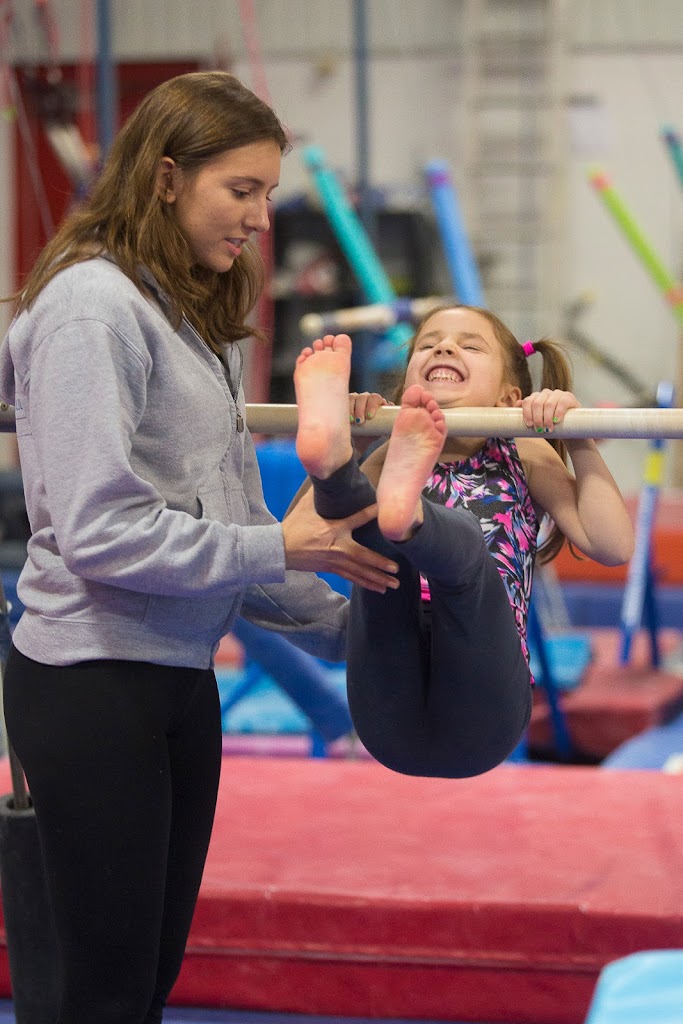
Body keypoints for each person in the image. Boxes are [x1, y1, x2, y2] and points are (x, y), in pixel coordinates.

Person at [0, 72, 400, 1024]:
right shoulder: (92, 309)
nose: (263, 219)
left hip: (177, 680)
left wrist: (365, 630)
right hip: (92, 681)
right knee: (102, 993)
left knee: (145, 983)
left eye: (267, 192)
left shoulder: (186, 311)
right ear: (167, 178)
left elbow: (225, 521)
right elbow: (99, 533)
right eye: (243, 191)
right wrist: (283, 551)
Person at [292, 306, 635, 779]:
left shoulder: (524, 450)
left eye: (470, 345)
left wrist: (576, 438)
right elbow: (300, 537)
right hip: (387, 712)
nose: (445, 347)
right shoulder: (390, 450)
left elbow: (611, 545)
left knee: (465, 558)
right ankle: (335, 467)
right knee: (384, 573)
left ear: (508, 397)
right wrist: (345, 440)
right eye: (429, 343)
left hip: (483, 707)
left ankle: (403, 515)